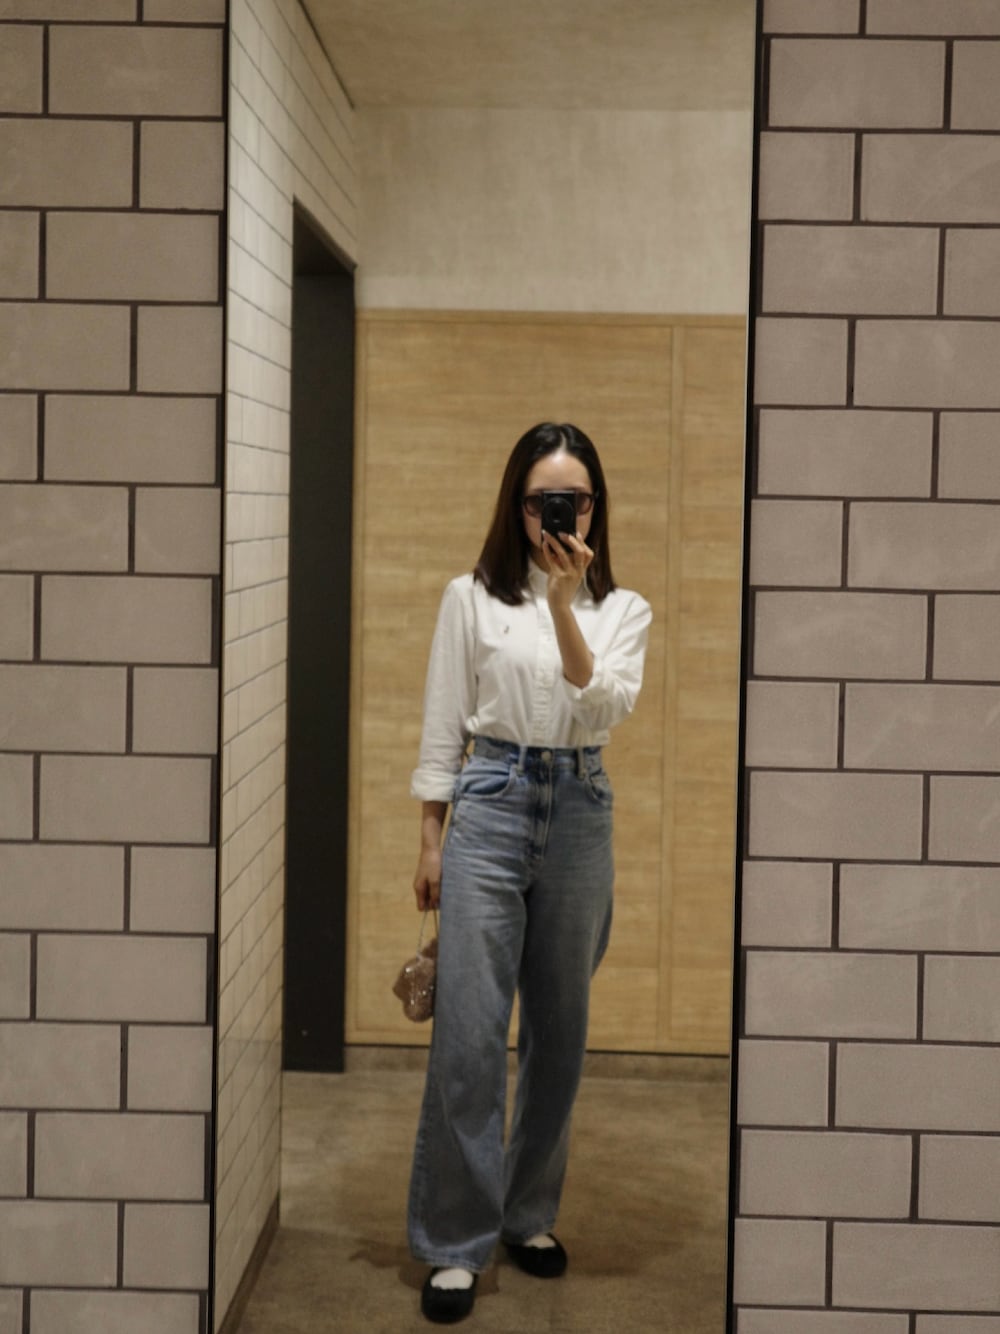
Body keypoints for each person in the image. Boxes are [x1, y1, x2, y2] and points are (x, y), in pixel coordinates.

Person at [407, 421, 652, 1324]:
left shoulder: (622, 611)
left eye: (575, 500)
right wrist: (430, 841)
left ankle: (526, 1214)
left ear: (595, 507)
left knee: (559, 1032)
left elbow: (605, 701)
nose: (560, 513)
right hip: (492, 800)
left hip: (580, 809)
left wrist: (563, 601)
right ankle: (454, 1243)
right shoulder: (468, 598)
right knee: (470, 1034)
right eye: (544, 500)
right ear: (516, 507)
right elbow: (444, 724)